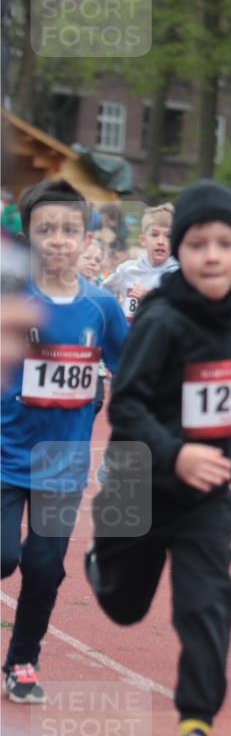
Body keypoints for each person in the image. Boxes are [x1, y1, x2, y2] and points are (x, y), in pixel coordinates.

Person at [84, 180, 231, 736]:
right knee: (124, 606)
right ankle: (101, 561)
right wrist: (178, 450)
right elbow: (128, 408)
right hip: (137, 481)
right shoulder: (160, 320)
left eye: (224, 243)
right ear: (179, 254)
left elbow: (215, 395)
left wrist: (227, 436)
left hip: (203, 491)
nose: (211, 255)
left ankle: (196, 730)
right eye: (196, 244)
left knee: (208, 602)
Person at [1, 179, 128, 703]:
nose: (58, 240)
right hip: (5, 455)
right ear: (28, 236)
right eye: (46, 229)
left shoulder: (101, 307)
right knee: (4, 556)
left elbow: (132, 369)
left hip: (63, 463)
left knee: (45, 566)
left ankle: (23, 661)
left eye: (69, 230)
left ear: (85, 239)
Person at [104, 204, 177, 322]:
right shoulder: (127, 269)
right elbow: (102, 291)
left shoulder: (178, 274)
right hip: (129, 336)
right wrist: (114, 305)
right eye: (154, 235)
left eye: (168, 236)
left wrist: (150, 298)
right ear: (143, 240)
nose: (161, 241)